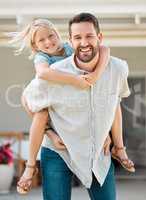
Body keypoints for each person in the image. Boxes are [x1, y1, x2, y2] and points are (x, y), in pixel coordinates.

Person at [20, 13, 135, 200]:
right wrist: (50, 132)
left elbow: (114, 105)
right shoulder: (50, 71)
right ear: (71, 41)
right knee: (41, 114)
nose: (83, 42)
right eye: (78, 37)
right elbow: (27, 100)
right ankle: (29, 168)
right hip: (59, 148)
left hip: (97, 150)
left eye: (89, 36)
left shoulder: (116, 68)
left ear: (99, 37)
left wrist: (113, 140)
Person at [10, 19, 110, 194]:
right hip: (50, 102)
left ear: (58, 34)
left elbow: (104, 49)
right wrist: (76, 80)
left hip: (78, 116)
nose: (48, 42)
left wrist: (96, 75)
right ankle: (30, 165)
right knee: (40, 115)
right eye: (41, 40)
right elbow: (42, 73)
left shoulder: (70, 47)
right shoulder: (43, 57)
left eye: (51, 35)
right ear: (35, 46)